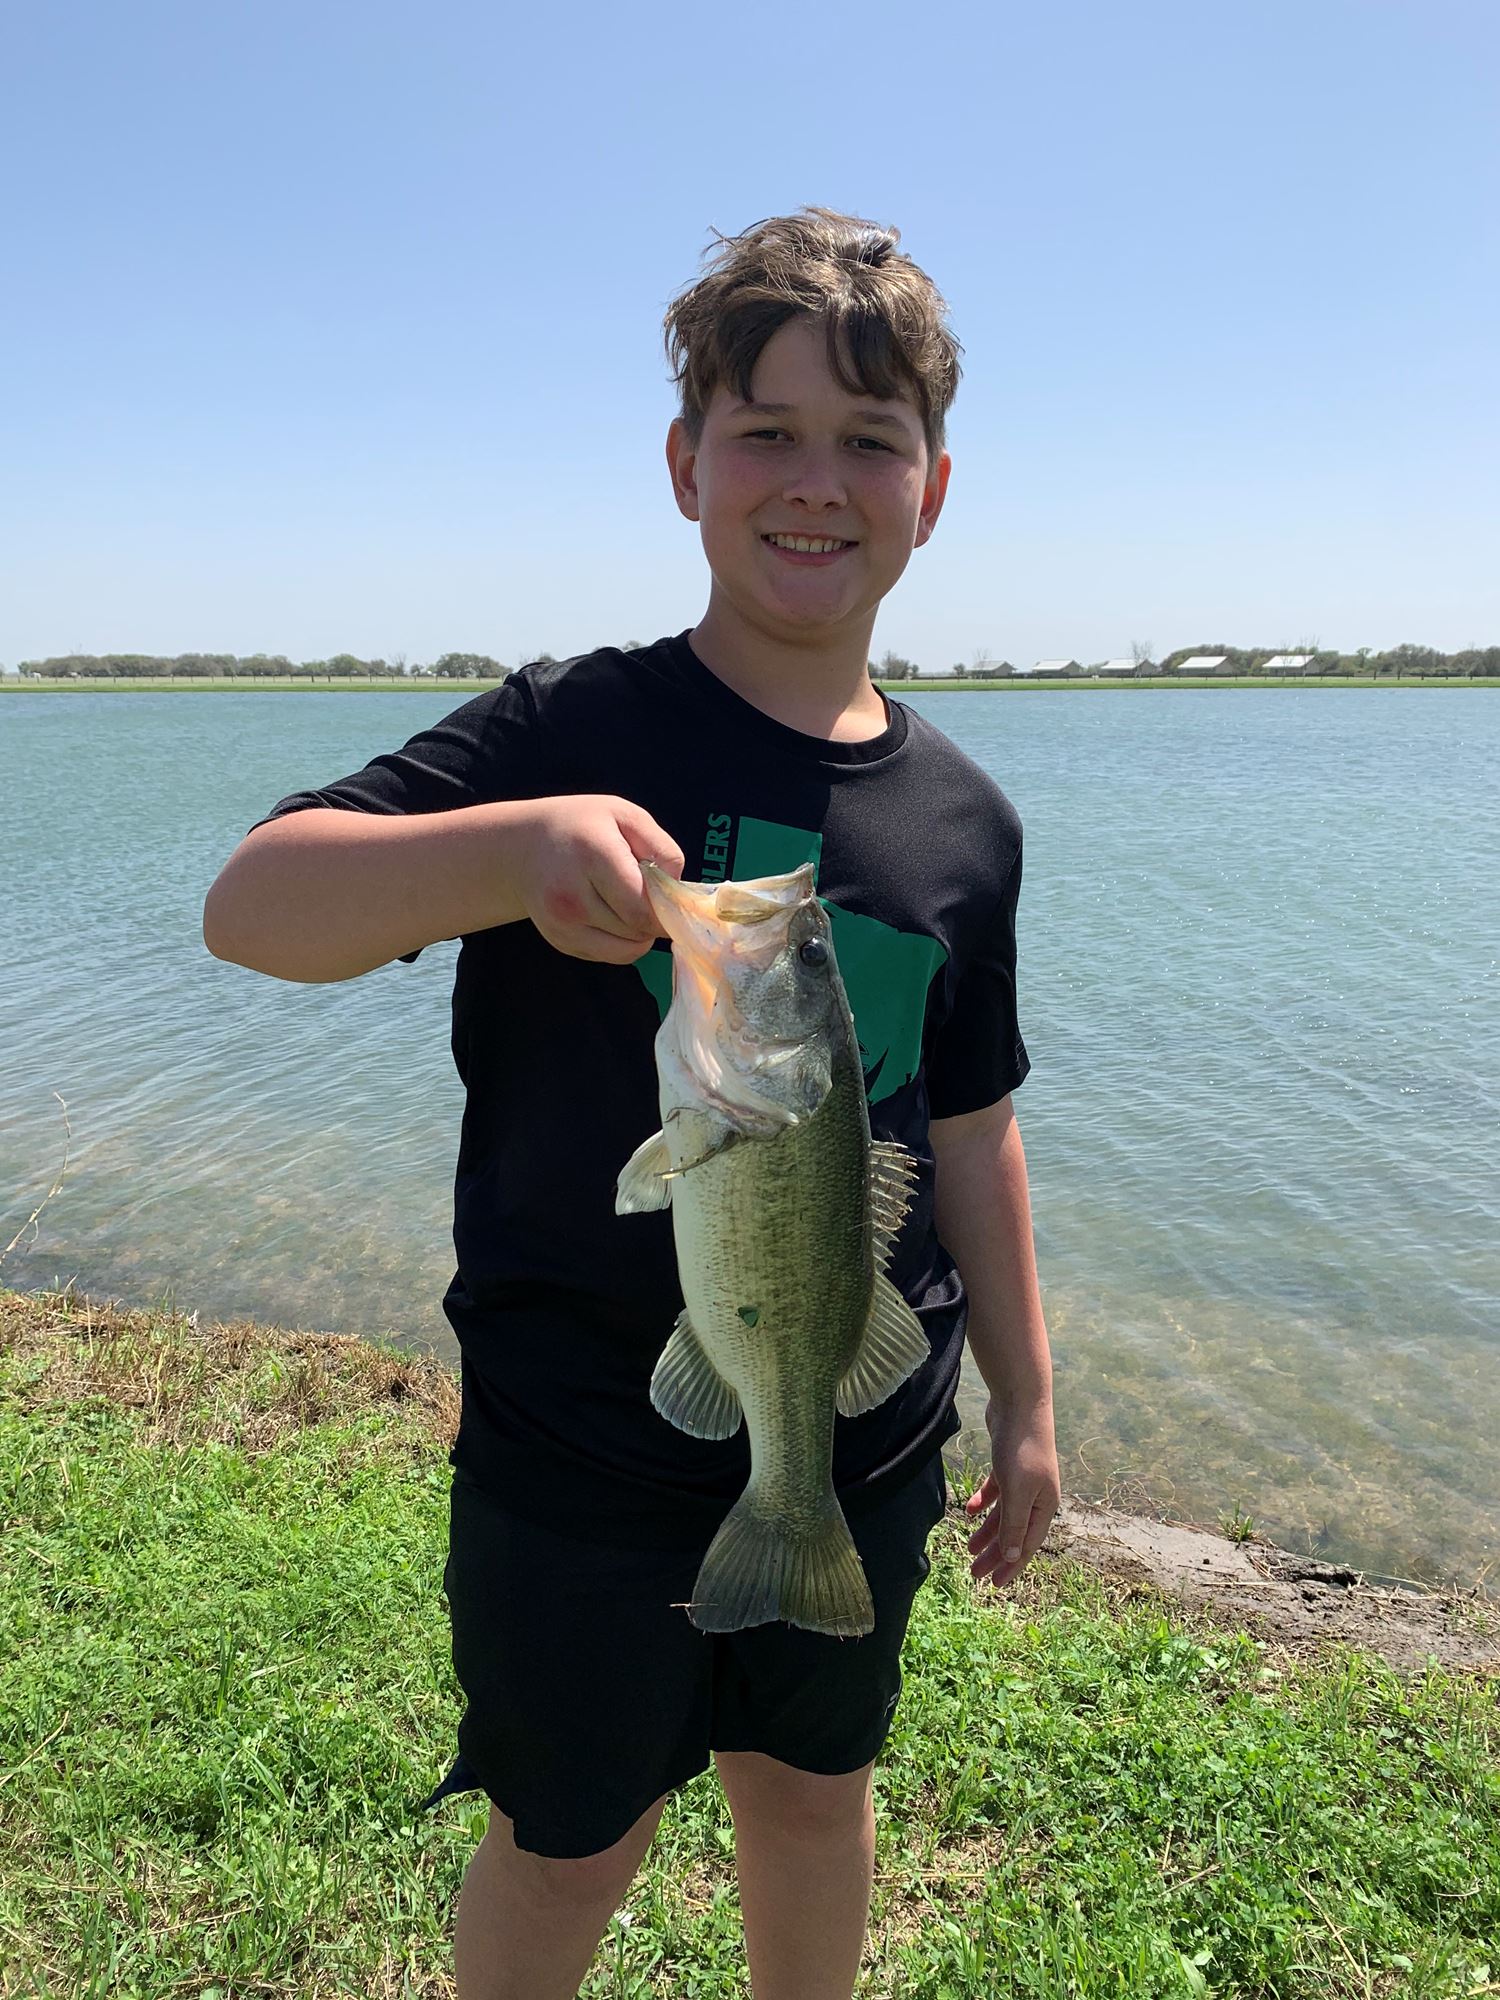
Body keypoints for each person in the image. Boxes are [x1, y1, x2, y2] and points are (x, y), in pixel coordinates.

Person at [202, 205, 1061, 2000]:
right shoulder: (563, 729)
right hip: (578, 1452)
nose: (814, 482)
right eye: (766, 433)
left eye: (867, 441)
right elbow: (255, 908)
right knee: (566, 1834)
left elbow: (970, 1129)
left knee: (814, 1801)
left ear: (935, 486)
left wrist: (1033, 1404)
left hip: (855, 1431)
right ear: (685, 465)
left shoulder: (966, 824)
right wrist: (511, 850)